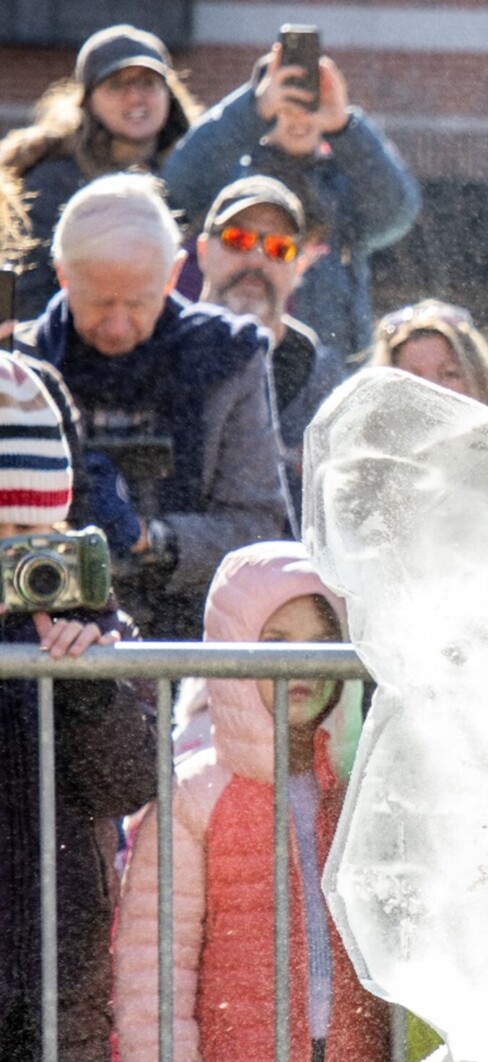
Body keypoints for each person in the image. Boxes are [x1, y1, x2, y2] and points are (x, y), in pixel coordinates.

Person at [107, 542, 386, 1062]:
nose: (302, 663)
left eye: (324, 641)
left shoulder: (361, 794)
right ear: (233, 647)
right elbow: (152, 977)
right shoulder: (193, 796)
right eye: (276, 639)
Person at [0, 361, 156, 1062]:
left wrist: (86, 677)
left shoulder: (78, 619)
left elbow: (128, 780)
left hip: (49, 992)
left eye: (28, 548)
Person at [15, 174, 289, 640]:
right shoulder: (19, 367)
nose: (118, 326)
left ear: (173, 274)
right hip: (49, 643)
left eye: (139, 303)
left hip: (195, 639)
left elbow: (260, 530)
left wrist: (149, 538)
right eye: (99, 303)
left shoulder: (227, 356)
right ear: (62, 274)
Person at [161, 37, 420, 357]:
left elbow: (398, 212)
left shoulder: (344, 188)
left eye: (310, 102)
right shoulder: (229, 179)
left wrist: (345, 126)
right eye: (286, 103)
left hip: (327, 366)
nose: (299, 117)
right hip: (229, 356)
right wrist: (251, 110)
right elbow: (180, 181)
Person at [0, 25, 199, 320]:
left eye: (147, 83)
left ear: (169, 94)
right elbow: (29, 298)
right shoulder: (50, 181)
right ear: (88, 100)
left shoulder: (193, 171)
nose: (135, 98)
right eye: (117, 85)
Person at [194, 176, 345, 519]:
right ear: (202, 251)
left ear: (300, 265)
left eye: (280, 248)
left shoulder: (322, 378)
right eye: (238, 240)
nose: (257, 259)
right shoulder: (163, 350)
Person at [370, 300, 488, 413]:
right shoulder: (359, 448)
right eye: (410, 379)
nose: (431, 389)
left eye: (449, 374)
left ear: (479, 382)